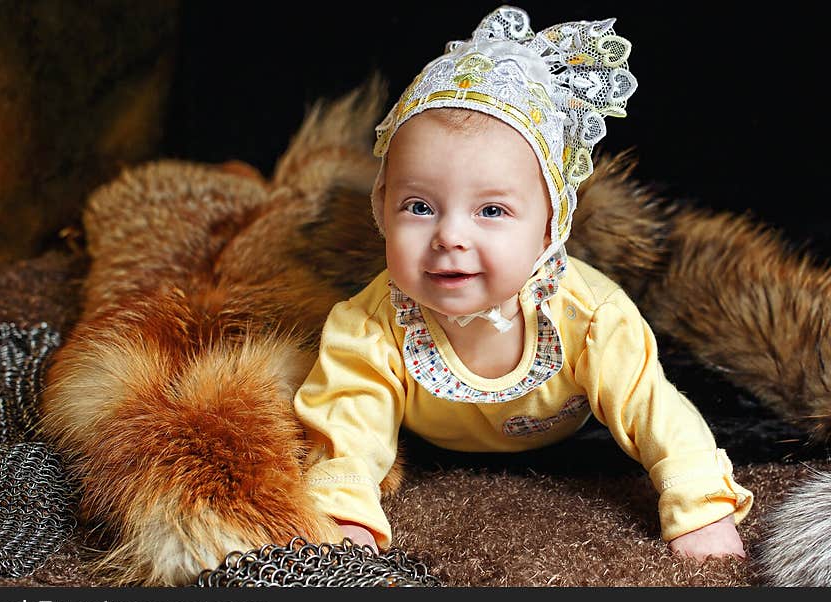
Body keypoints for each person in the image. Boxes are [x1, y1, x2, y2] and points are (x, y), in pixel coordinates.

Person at [293, 5, 752, 562]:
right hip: (431, 443)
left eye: (491, 210)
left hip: (564, 437)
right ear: (382, 210)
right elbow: (347, 423)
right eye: (419, 206)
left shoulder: (593, 317)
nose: (450, 236)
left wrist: (700, 507)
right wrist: (346, 514)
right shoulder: (369, 326)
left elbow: (654, 411)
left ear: (549, 230)